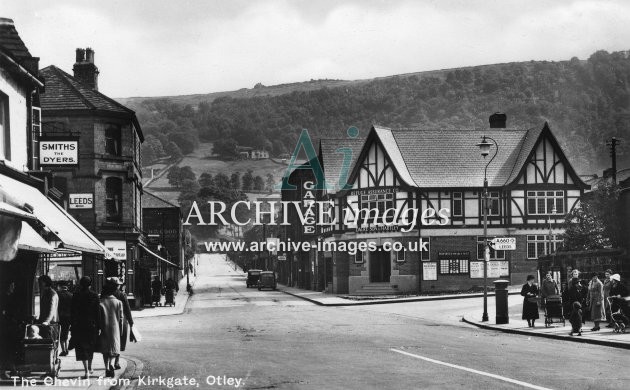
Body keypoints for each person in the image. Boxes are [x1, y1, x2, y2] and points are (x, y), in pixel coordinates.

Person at [71, 276, 100, 379]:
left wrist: (72, 325)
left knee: (82, 348)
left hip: (79, 325)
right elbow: (98, 312)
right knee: (90, 347)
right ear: (90, 285)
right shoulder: (94, 296)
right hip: (91, 325)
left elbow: (73, 312)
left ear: (80, 284)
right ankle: (90, 367)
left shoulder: (76, 295)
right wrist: (99, 326)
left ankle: (86, 371)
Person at [106, 277, 134, 371]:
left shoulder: (105, 294)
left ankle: (110, 362)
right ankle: (117, 361)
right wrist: (131, 322)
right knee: (120, 340)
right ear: (118, 286)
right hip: (121, 320)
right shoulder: (122, 294)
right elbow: (127, 309)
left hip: (109, 320)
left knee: (109, 341)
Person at [99, 280, 122, 378]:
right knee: (114, 348)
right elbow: (121, 318)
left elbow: (98, 318)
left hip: (104, 328)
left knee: (105, 349)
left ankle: (106, 368)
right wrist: (120, 330)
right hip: (115, 328)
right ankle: (112, 363)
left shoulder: (101, 302)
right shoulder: (118, 302)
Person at [56, 283, 73, 356]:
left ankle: (63, 350)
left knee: (60, 333)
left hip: (60, 316)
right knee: (65, 333)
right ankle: (66, 349)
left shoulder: (58, 295)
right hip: (69, 317)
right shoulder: (71, 295)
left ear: (60, 287)